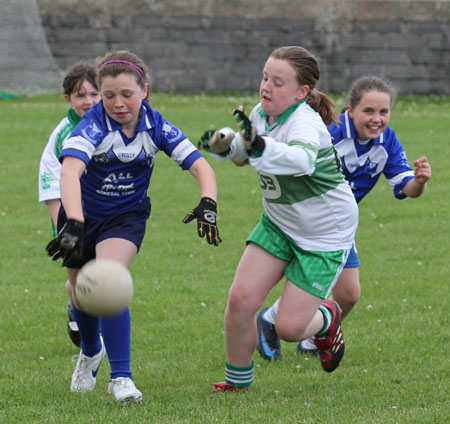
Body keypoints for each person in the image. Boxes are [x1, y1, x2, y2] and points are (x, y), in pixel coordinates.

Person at [46, 50, 221, 405]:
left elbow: (200, 165)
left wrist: (208, 202)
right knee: (81, 293)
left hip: (125, 217)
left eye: (127, 94)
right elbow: (69, 171)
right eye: (108, 95)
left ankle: (121, 377)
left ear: (145, 89)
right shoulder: (93, 124)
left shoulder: (156, 125)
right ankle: (91, 351)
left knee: (108, 280)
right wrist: (74, 221)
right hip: (81, 216)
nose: (117, 103)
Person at [198, 46, 358, 391]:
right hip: (279, 223)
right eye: (265, 77)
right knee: (240, 301)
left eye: (278, 82)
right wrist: (230, 147)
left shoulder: (305, 123)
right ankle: (238, 383)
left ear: (302, 92)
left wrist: (258, 148)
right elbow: (249, 153)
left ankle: (327, 320)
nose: (266, 87)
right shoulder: (261, 113)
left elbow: (300, 160)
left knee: (289, 328)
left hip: (324, 235)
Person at [257, 75, 432, 360]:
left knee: (349, 295)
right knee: (310, 282)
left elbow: (405, 188)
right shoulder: (328, 131)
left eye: (383, 112)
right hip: (305, 219)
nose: (377, 119)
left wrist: (420, 181)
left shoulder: (387, 140)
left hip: (337, 225)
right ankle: (272, 319)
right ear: (350, 110)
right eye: (369, 111)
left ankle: (312, 340)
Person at [39, 62, 101, 348]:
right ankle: (75, 304)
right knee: (80, 280)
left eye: (94, 93)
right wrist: (61, 226)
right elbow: (51, 181)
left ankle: (96, 333)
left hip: (103, 212)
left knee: (100, 274)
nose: (87, 101)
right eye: (80, 95)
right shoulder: (63, 134)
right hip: (70, 214)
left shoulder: (111, 122)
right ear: (68, 99)